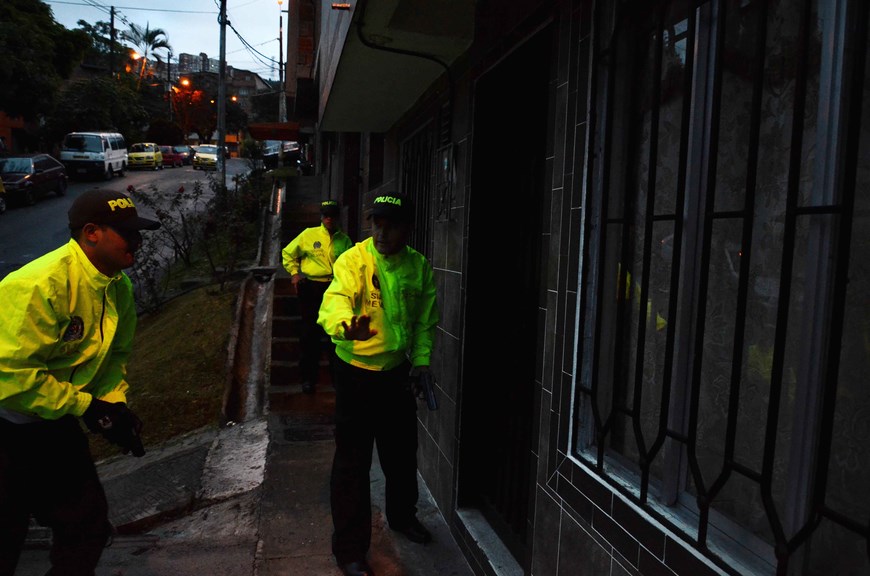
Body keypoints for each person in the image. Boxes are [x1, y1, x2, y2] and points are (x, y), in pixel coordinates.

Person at [0, 189, 160, 576]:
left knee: (86, 525)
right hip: (5, 425)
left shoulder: (116, 286)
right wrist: (88, 407)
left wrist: (113, 407)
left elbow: (112, 358)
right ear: (92, 233)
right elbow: (12, 378)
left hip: (53, 423)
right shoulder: (38, 285)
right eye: (128, 234)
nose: (137, 243)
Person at [317, 192, 439, 576]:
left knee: (401, 455)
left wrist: (420, 363)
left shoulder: (418, 266)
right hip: (355, 375)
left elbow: (423, 321)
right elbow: (334, 300)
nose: (381, 231)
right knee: (352, 464)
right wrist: (344, 325)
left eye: (390, 224)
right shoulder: (354, 259)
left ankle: (403, 517)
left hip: (397, 375)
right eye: (375, 222)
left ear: (407, 229)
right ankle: (350, 551)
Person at [282, 199, 353, 394]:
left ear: (337, 218)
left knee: (334, 336)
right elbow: (288, 253)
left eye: (332, 215)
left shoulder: (344, 241)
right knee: (309, 334)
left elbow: (351, 265)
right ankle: (308, 379)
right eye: (325, 215)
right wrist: (295, 273)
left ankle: (336, 380)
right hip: (311, 287)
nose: (329, 219)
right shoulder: (308, 235)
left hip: (335, 288)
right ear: (321, 217)